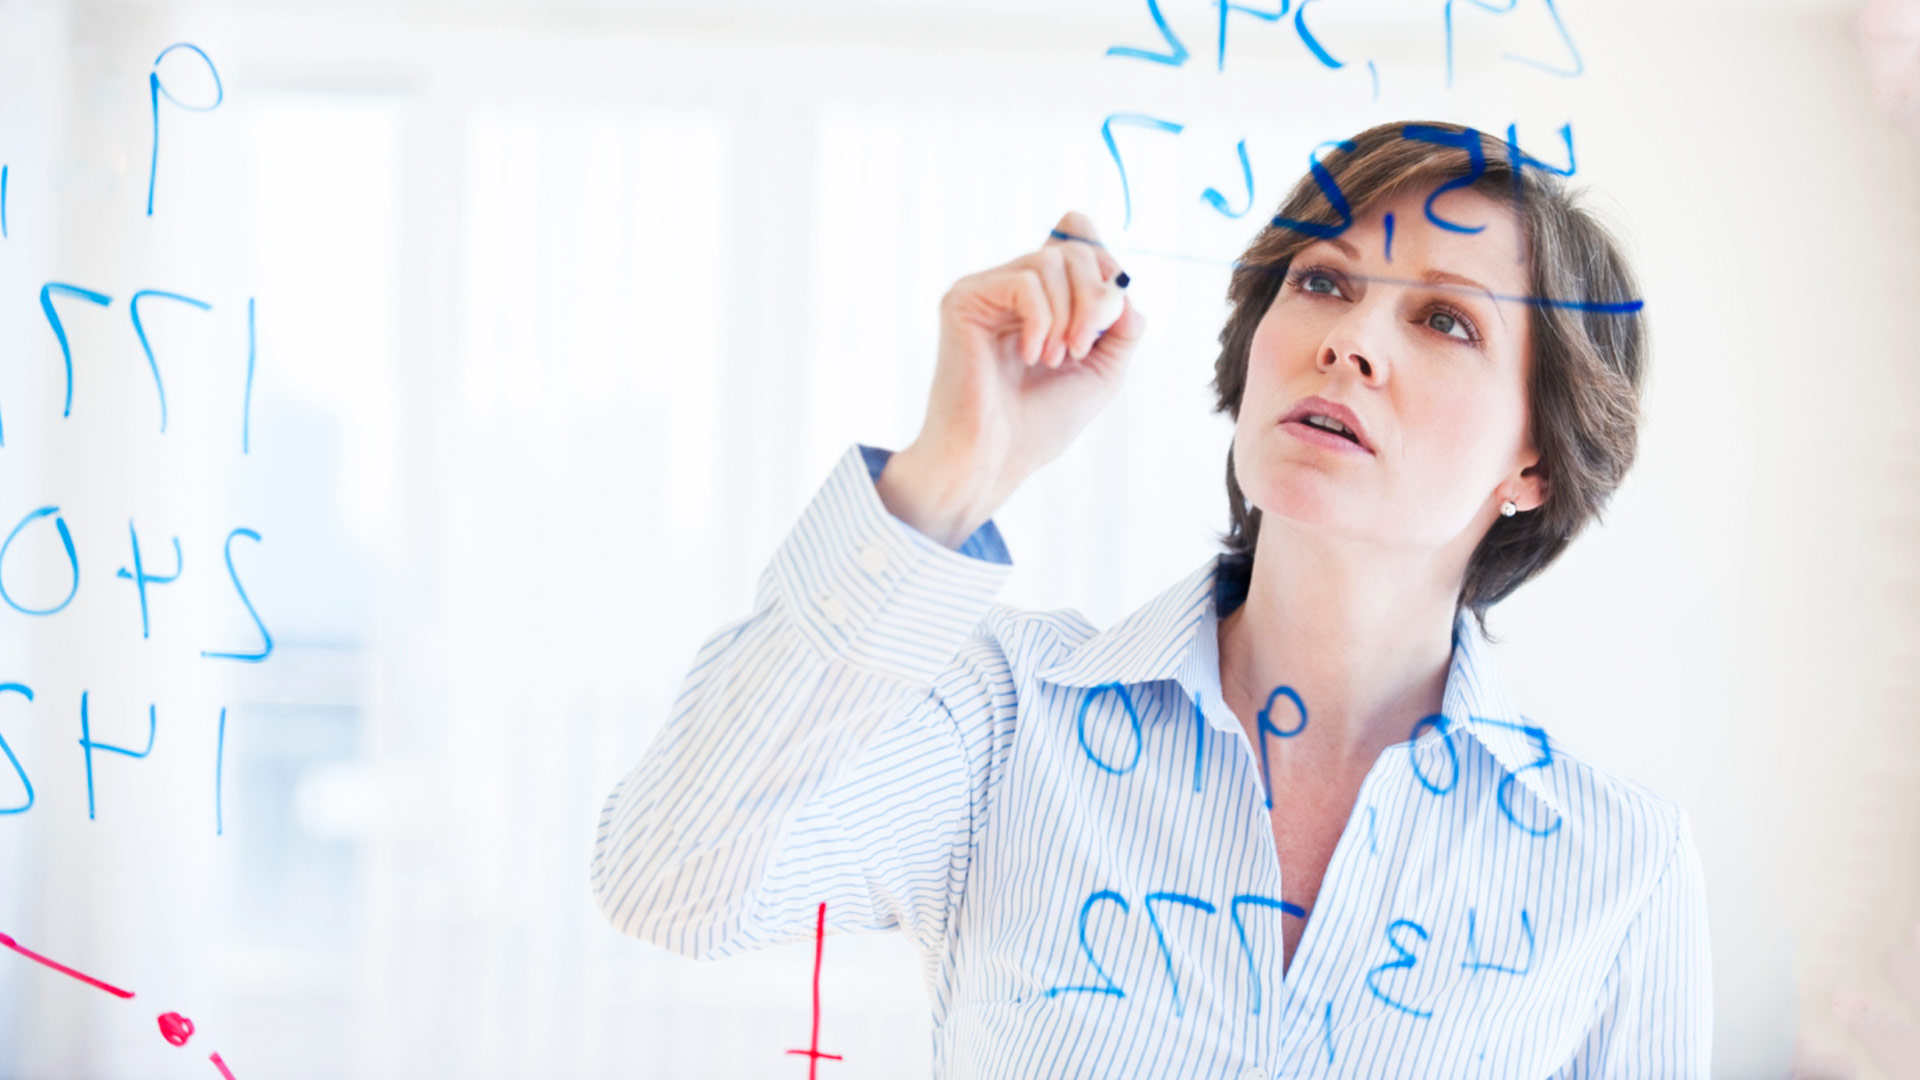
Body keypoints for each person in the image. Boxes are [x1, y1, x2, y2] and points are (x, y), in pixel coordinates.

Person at [590, 119, 1713, 1077]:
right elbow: (670, 885)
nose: (1349, 342)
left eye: (1445, 320)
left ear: (1537, 465)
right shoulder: (1007, 718)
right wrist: (951, 475)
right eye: (1320, 282)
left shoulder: (1619, 868)